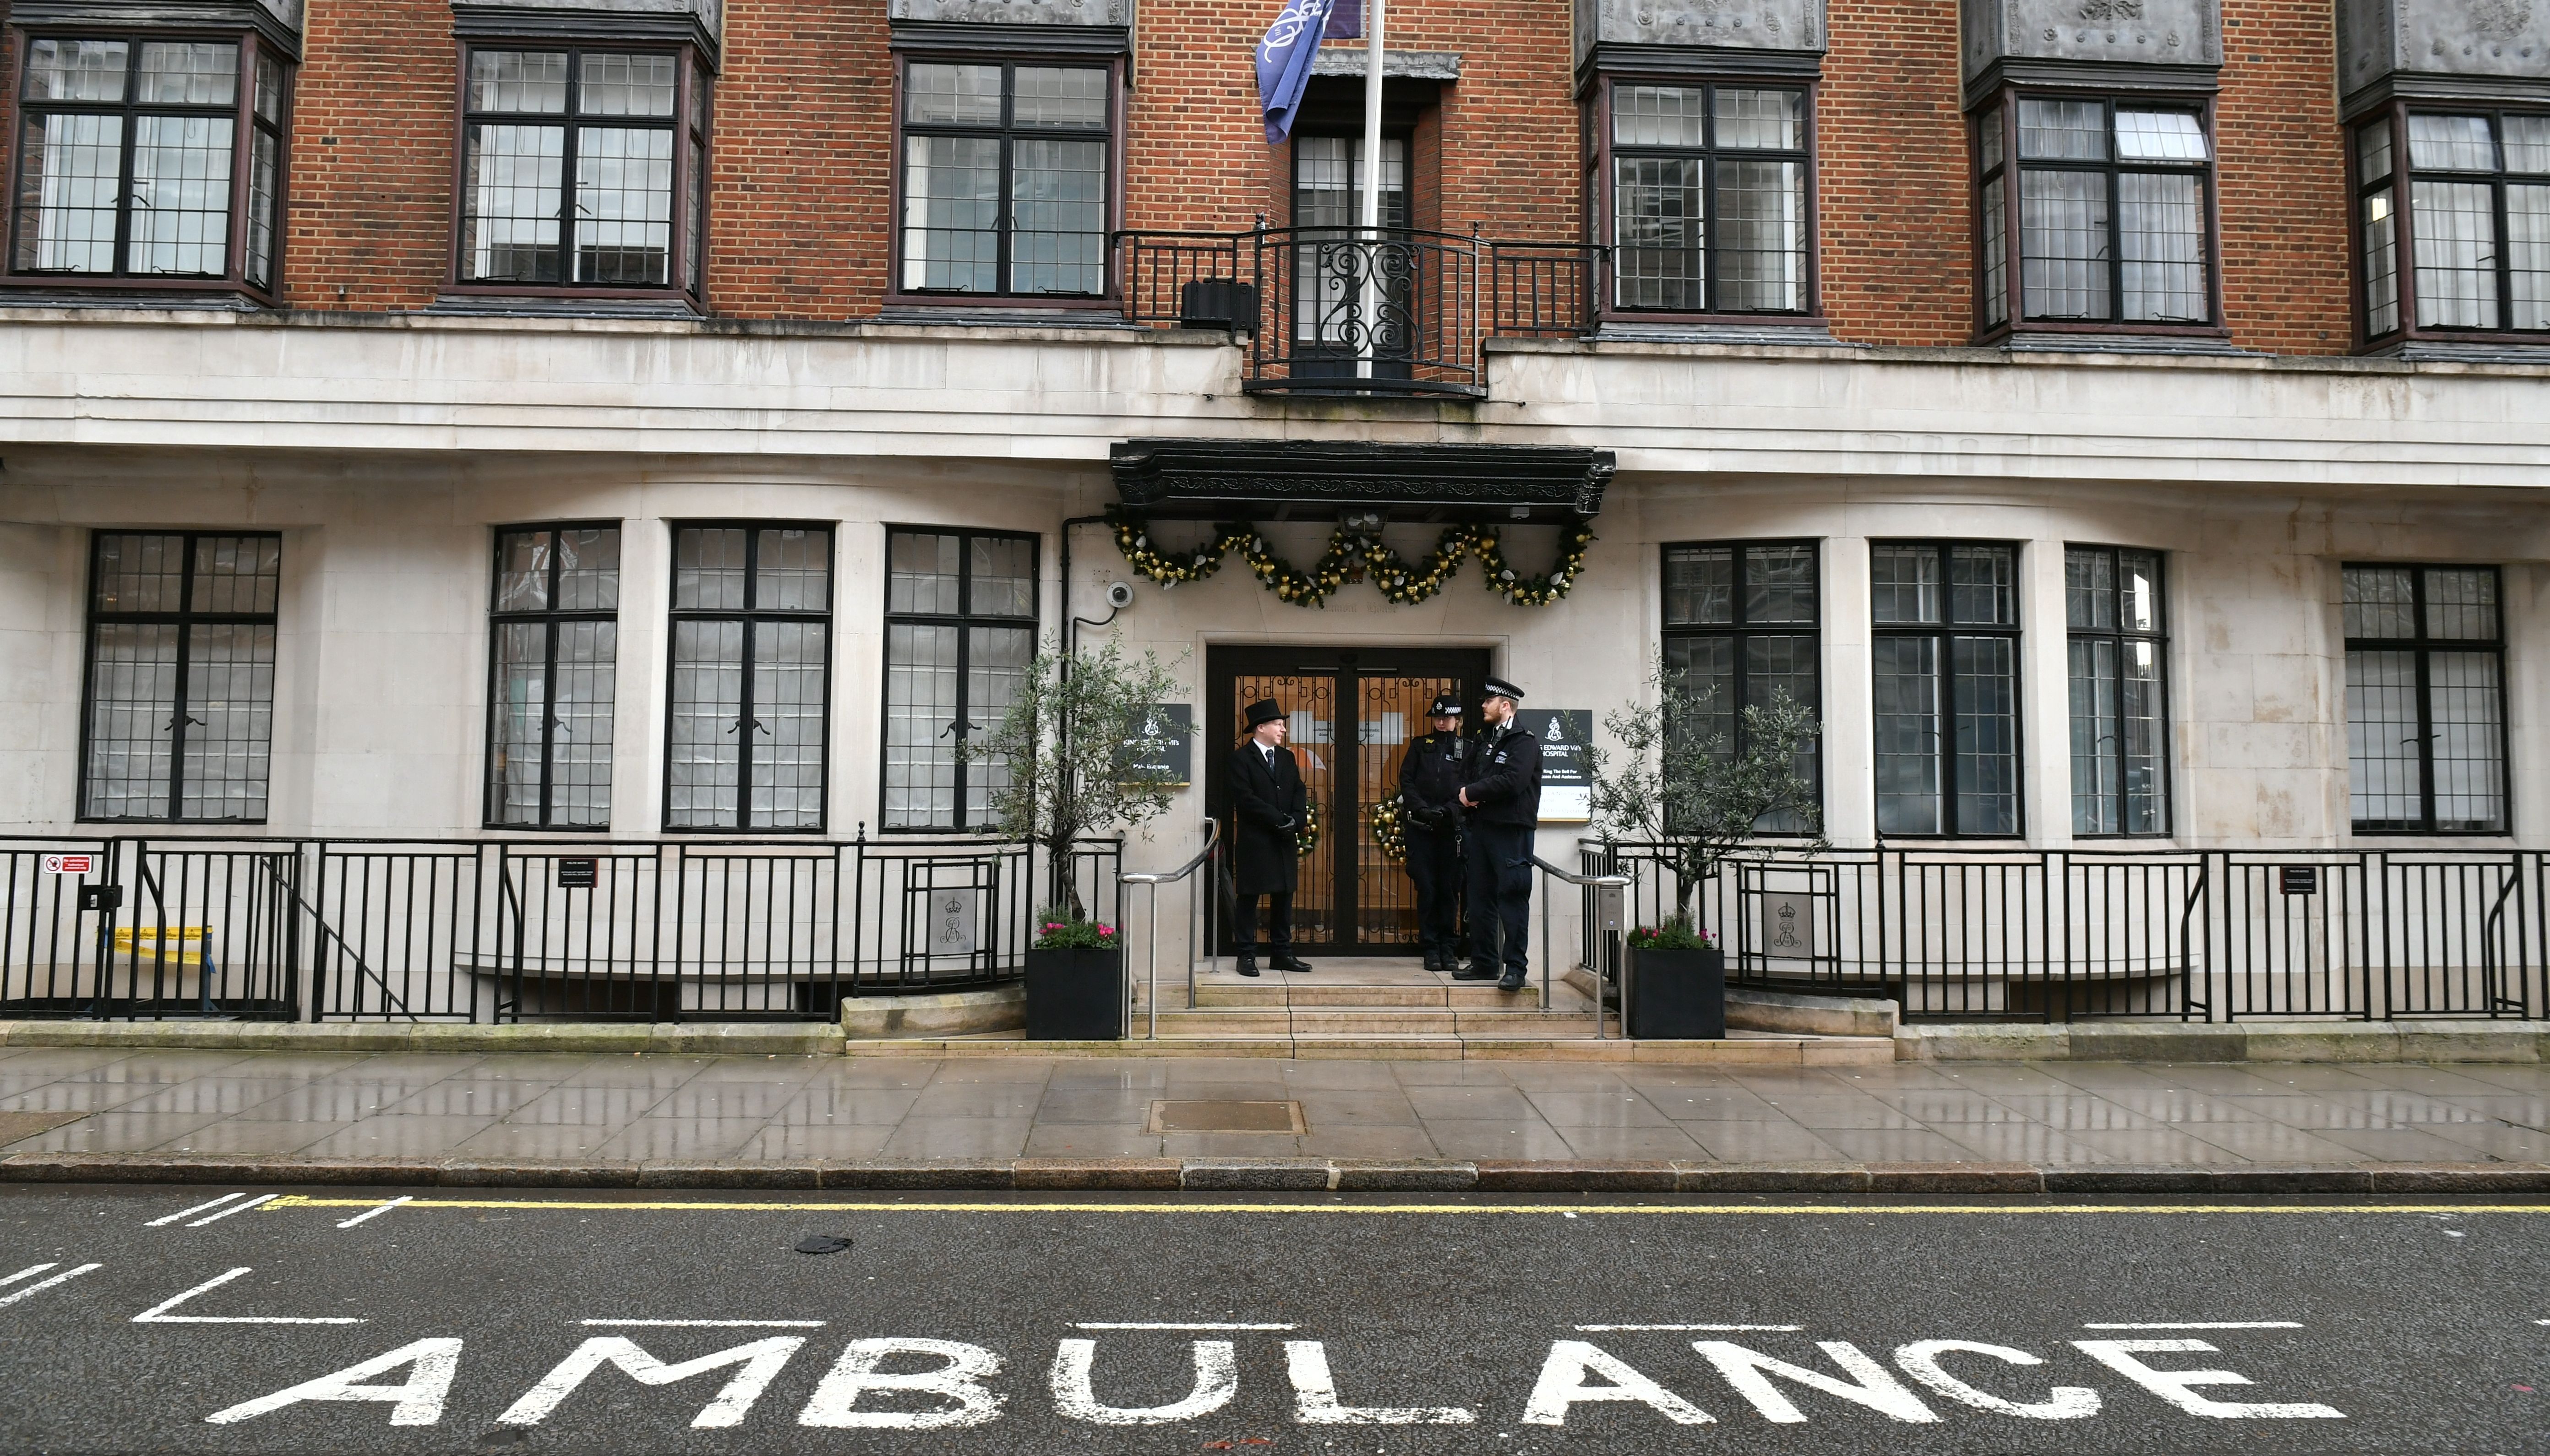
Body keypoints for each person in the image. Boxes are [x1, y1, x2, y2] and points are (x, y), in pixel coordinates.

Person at [1458, 676, 1542, 991]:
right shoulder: (1485, 739)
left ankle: (1516, 969)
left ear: (1505, 706)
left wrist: (1474, 791)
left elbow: (1513, 782)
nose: (1483, 705)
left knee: (1512, 898)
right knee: (1479, 900)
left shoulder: (1524, 742)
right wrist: (1467, 793)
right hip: (1481, 829)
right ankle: (1484, 962)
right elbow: (1465, 774)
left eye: (1488, 701)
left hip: (1511, 832)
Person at [1228, 697, 1313, 978]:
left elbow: (1299, 791)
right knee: (1249, 898)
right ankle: (1247, 955)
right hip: (1257, 840)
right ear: (1261, 727)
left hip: (1284, 840)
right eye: (1278, 724)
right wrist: (1279, 819)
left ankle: (1281, 953)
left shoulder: (1287, 758)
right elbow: (1246, 799)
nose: (1282, 730)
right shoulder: (1241, 759)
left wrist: (1297, 820)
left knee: (1283, 897)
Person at [1395, 691, 1471, 975]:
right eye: (1438, 718)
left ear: (1457, 721)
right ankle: (1430, 948)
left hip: (1452, 831)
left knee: (1450, 890)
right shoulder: (1420, 746)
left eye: (1447, 718)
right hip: (1422, 830)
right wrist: (1422, 809)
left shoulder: (1468, 748)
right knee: (1427, 888)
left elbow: (1471, 786)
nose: (1442, 723)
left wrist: (1451, 811)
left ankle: (1449, 948)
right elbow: (1407, 780)